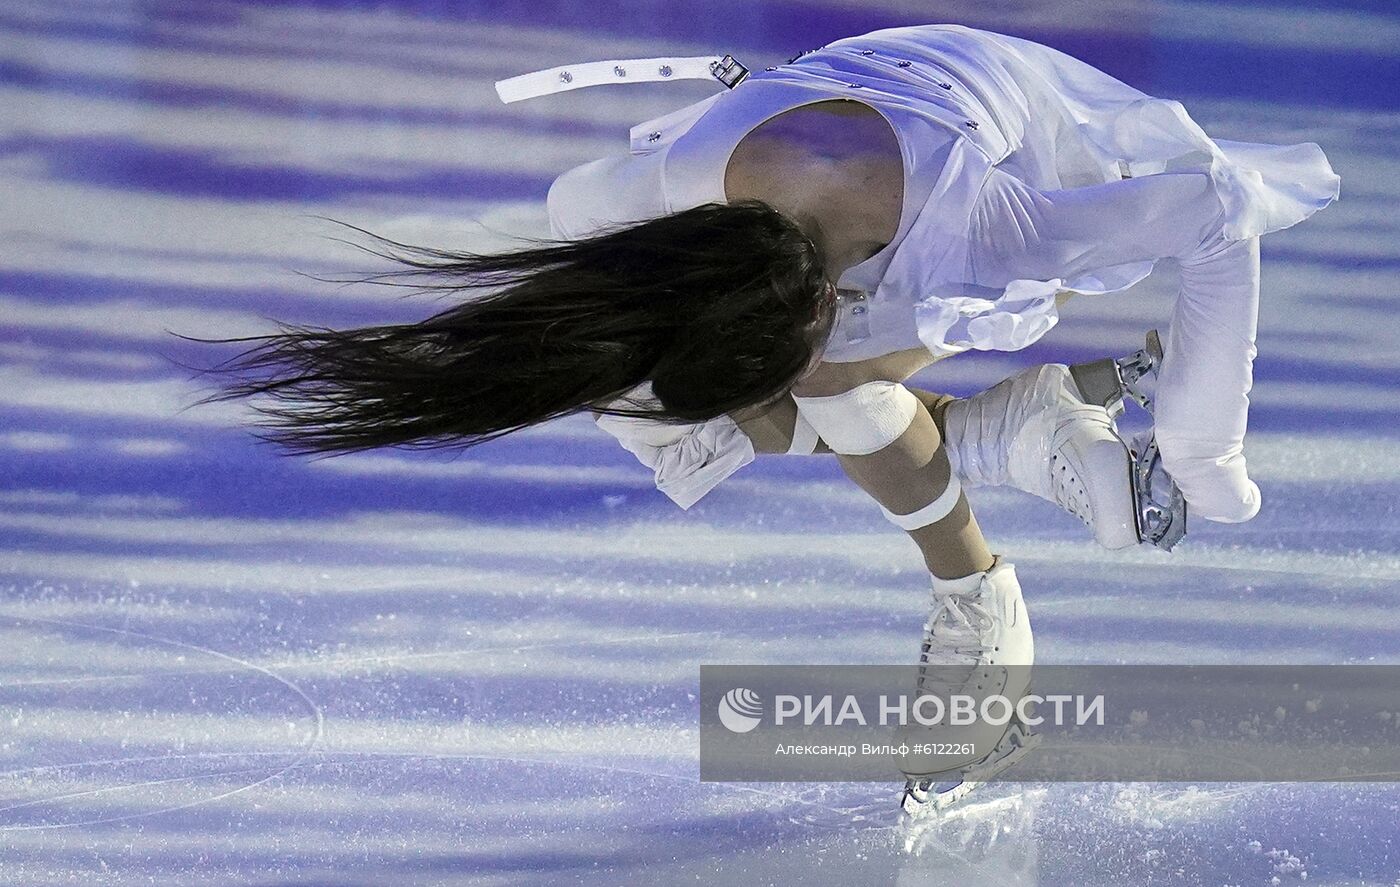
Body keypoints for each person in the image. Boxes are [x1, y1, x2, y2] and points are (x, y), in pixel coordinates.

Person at [211, 25, 1338, 808]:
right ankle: (1008, 432)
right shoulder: (655, 206)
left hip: (1017, 138)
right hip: (839, 185)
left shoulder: (993, 229)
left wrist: (1202, 444)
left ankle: (982, 591)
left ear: (813, 309)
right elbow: (575, 217)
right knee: (661, 398)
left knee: (842, 391)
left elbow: (1214, 210)